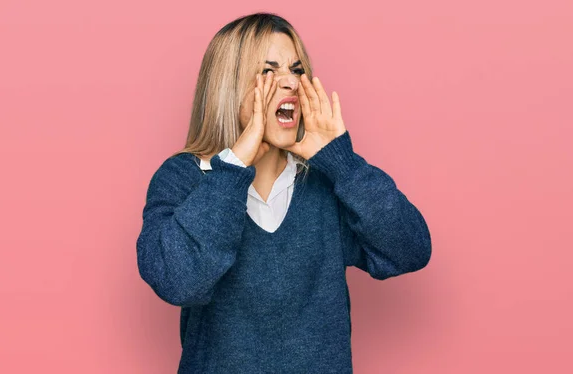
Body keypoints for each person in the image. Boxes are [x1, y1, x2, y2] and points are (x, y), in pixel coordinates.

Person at [136, 12, 432, 373]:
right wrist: (232, 169)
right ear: (229, 86)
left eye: (296, 69)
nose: (290, 81)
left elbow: (410, 249)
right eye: (268, 70)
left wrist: (343, 163)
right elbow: (179, 282)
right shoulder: (182, 178)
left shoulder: (326, 181)